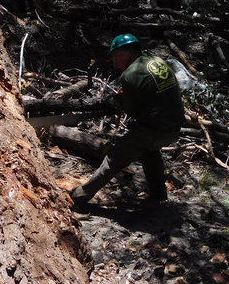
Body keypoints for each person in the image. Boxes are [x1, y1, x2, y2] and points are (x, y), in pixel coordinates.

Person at [69, 33, 184, 209]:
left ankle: (77, 198)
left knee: (113, 160)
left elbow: (132, 111)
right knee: (150, 152)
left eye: (115, 57)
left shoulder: (129, 75)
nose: (115, 63)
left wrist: (119, 102)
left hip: (153, 129)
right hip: (174, 126)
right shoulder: (156, 61)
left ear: (125, 53)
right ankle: (159, 196)